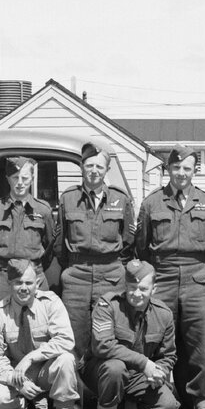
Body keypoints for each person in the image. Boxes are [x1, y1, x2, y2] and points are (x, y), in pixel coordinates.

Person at [134, 144, 205, 409]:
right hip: (163, 277)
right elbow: (142, 246)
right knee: (156, 344)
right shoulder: (152, 204)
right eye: (176, 168)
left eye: (187, 168)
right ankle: (156, 408)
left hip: (198, 278)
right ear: (167, 170)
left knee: (200, 347)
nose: (181, 173)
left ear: (194, 170)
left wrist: (197, 269)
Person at [83, 259, 180, 409]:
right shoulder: (108, 305)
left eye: (143, 289)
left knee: (168, 406)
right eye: (132, 287)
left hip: (136, 376)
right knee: (116, 368)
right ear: (125, 286)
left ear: (154, 289)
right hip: (99, 369)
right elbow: (103, 346)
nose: (136, 294)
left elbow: (168, 355)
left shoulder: (164, 314)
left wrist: (158, 371)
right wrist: (145, 363)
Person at [0, 258, 80, 409]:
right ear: (9, 284)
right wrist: (16, 381)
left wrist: (31, 357)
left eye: (28, 283)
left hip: (46, 370)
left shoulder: (51, 303)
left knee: (67, 359)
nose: (24, 288)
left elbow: (66, 340)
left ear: (37, 283)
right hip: (18, 374)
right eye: (18, 283)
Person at [56, 139, 136, 362]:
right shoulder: (68, 198)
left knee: (108, 335)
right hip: (76, 277)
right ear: (82, 167)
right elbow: (59, 243)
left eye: (99, 166)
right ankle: (78, 394)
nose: (94, 171)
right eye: (89, 165)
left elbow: (129, 241)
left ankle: (105, 393)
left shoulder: (121, 200)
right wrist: (74, 266)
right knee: (74, 337)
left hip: (110, 277)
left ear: (106, 170)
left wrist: (112, 265)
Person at [0, 156, 54, 311]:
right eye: (15, 177)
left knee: (37, 326)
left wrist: (34, 269)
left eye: (25, 178)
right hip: (2, 280)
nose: (20, 183)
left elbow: (50, 247)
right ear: (7, 179)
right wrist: (0, 271)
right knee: (0, 326)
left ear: (32, 179)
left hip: (34, 279)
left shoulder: (43, 210)